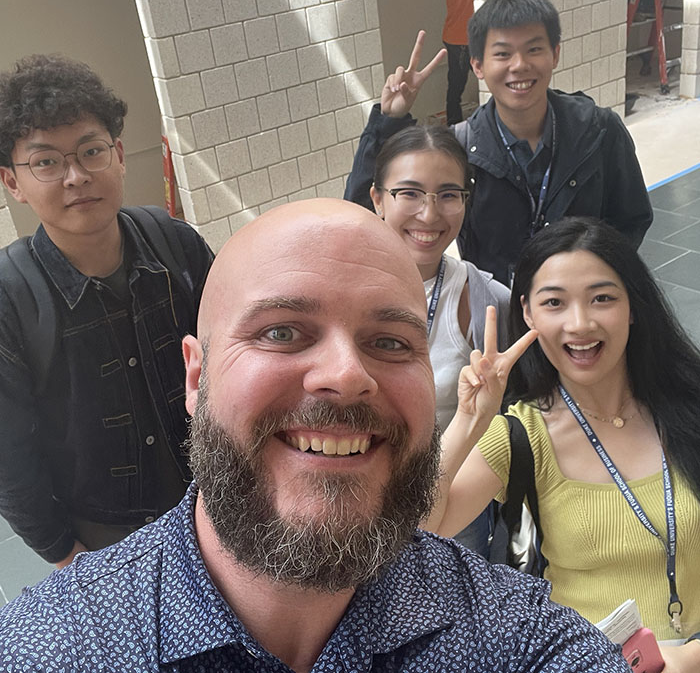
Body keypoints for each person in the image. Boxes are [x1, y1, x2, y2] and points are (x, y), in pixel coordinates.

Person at [0, 200, 630, 672]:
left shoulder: (514, 637)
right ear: (196, 376)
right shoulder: (54, 645)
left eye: (390, 342)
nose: (346, 376)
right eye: (281, 332)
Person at [425, 217, 700, 670]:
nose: (580, 323)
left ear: (633, 305)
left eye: (602, 298)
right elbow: (420, 528)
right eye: (554, 302)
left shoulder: (686, 405)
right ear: (529, 314)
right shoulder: (522, 434)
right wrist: (470, 420)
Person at [0, 55, 213, 567]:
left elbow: (231, 356)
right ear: (12, 183)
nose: (75, 176)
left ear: (118, 154)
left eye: (91, 151)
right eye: (46, 162)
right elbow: (8, 453)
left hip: (214, 501)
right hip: (104, 537)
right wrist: (63, 552)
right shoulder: (10, 297)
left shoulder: (175, 244)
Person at [344, 0, 653, 286]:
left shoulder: (598, 130)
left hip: (574, 313)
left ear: (555, 54)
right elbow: (364, 216)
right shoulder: (461, 148)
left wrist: (594, 280)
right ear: (478, 65)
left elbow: (631, 219)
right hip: (498, 319)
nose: (519, 65)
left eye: (534, 49)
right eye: (503, 54)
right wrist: (389, 121)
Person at [367, 123, 510, 554]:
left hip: (452, 505)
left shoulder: (486, 301)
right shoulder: (341, 294)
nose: (430, 215)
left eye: (448, 195)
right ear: (377, 199)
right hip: (358, 499)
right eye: (409, 193)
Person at [443, 0, 474, 125]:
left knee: (455, 88)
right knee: (493, 82)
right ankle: (453, 129)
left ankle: (452, 129)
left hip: (454, 35)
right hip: (462, 38)